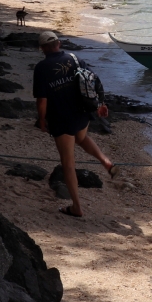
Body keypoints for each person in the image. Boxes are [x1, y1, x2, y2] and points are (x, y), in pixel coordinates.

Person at [32, 31, 113, 217]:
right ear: (58, 44)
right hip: (81, 114)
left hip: (61, 118)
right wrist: (100, 104)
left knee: (68, 164)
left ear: (43, 48)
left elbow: (42, 100)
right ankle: (105, 161)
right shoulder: (74, 58)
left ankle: (77, 207)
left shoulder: (42, 68)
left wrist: (42, 120)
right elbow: (92, 81)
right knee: (82, 137)